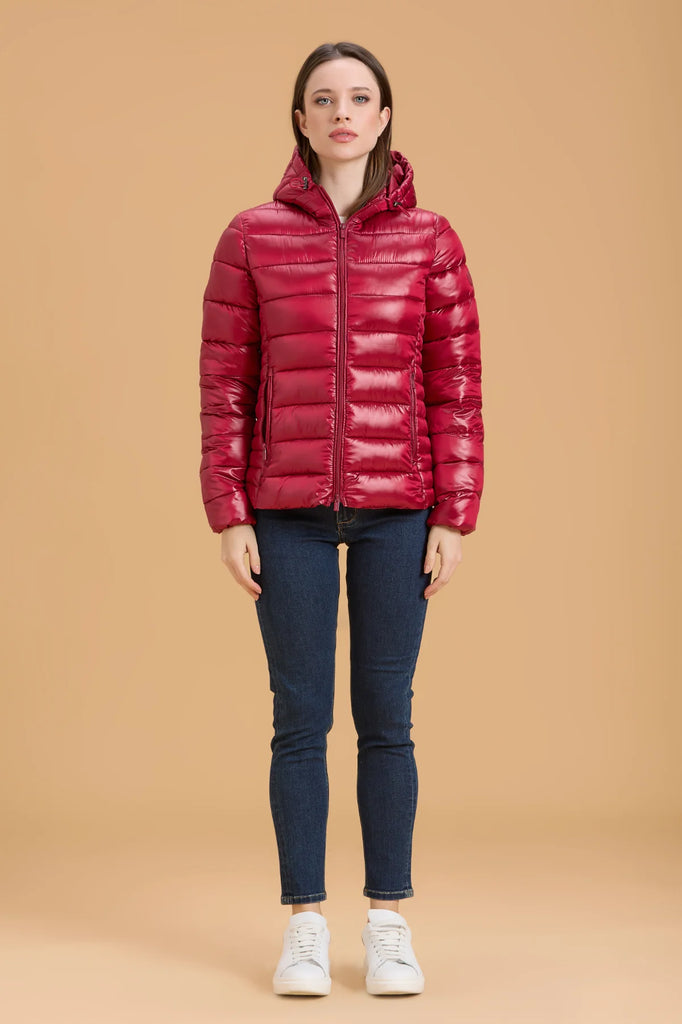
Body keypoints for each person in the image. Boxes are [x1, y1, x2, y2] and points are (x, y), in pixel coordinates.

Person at [199, 41, 484, 997]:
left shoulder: (431, 239)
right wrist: (228, 511)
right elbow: (224, 384)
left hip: (400, 511)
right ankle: (305, 927)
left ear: (384, 114)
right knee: (299, 720)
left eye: (360, 97)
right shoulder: (251, 236)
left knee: (387, 720)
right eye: (323, 99)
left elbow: (455, 387)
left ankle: (389, 922)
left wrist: (455, 514)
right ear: (301, 120)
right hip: (285, 514)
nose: (343, 114)